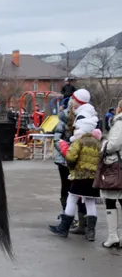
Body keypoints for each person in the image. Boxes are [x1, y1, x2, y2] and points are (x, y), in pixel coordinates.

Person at [49, 112, 101, 240]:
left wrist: (63, 148)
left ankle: (63, 228)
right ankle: (90, 232)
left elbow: (70, 157)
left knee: (72, 199)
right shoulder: (97, 143)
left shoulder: (79, 142)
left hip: (80, 176)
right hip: (93, 178)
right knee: (90, 202)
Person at [52, 88, 91, 233]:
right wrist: (65, 148)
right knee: (67, 188)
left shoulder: (87, 116)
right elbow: (57, 136)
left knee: (81, 190)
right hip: (64, 158)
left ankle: (82, 221)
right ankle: (67, 217)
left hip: (81, 159)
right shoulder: (65, 116)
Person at [99, 99, 122, 248]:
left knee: (111, 200)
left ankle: (113, 236)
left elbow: (114, 144)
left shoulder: (119, 123)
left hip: (116, 165)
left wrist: (104, 145)